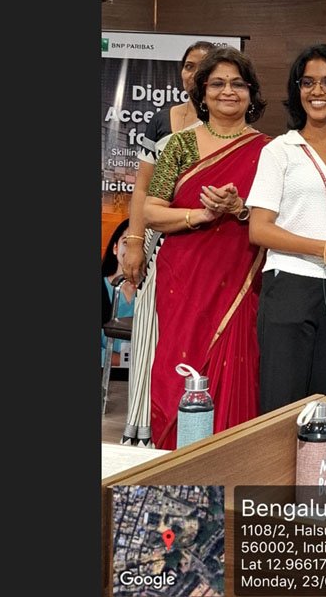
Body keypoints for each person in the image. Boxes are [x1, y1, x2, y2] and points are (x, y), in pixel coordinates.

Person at [144, 45, 272, 450]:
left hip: (240, 277)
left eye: (238, 84)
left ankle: (230, 460)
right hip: (183, 275)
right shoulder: (180, 145)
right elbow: (150, 210)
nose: (227, 91)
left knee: (237, 363)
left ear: (251, 93)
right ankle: (175, 456)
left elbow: (277, 218)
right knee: (176, 367)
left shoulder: (270, 151)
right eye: (217, 83)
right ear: (201, 92)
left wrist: (239, 209)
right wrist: (199, 215)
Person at [247, 43, 326, 433]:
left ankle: (322, 472)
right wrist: (323, 249)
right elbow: (259, 229)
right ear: (297, 89)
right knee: (282, 403)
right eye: (308, 82)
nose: (317, 91)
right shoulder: (279, 150)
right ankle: (275, 475)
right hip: (290, 284)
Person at [119, 40, 215, 447]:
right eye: (188, 66)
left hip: (210, 248)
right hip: (161, 244)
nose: (194, 73)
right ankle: (146, 429)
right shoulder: (163, 122)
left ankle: (196, 429)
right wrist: (134, 242)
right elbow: (142, 191)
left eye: (204, 67)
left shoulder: (229, 126)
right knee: (152, 335)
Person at [101, 218, 136, 368]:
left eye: (140, 245)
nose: (133, 252)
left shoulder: (154, 293)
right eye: (126, 242)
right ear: (115, 248)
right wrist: (126, 361)